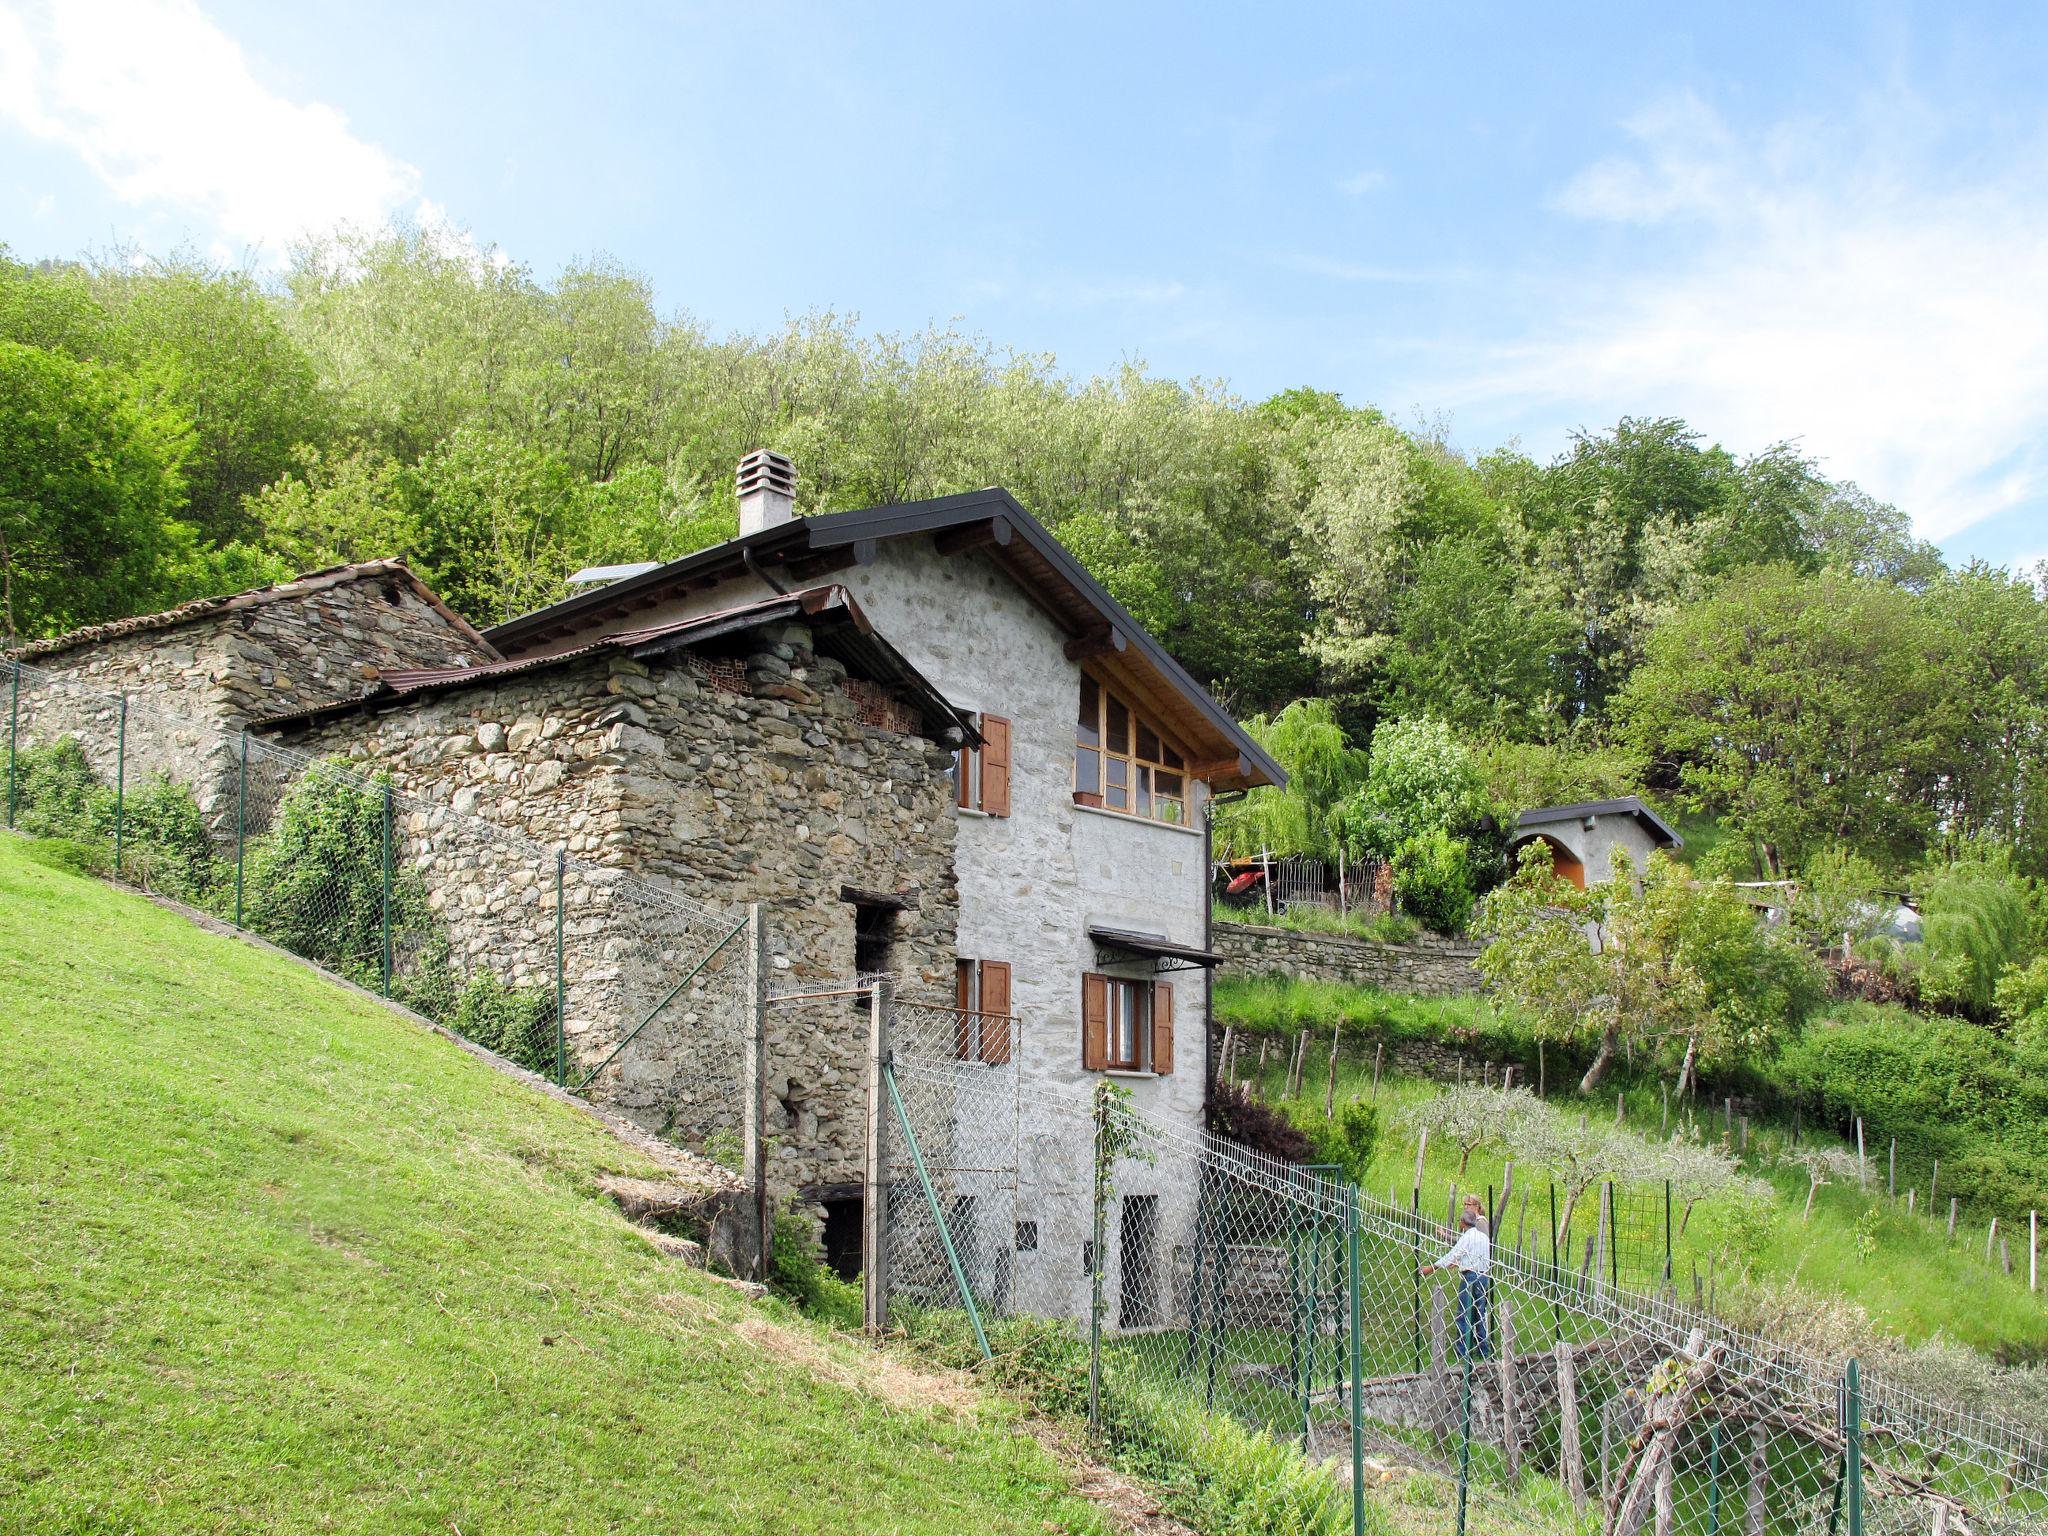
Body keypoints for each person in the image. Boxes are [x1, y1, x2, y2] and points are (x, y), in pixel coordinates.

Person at [1422, 1194, 1492, 1361]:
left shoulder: (1468, 1236)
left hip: (1470, 1278)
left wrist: (1431, 1268)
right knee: (1479, 1313)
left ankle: (1462, 1351)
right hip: (1483, 1276)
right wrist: (1462, 1261)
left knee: (1463, 1314)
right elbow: (1475, 1254)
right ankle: (1484, 1350)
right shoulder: (1482, 1237)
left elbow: (1453, 1254)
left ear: (1462, 1223)